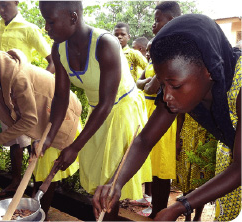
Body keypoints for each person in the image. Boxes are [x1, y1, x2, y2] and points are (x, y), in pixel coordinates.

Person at [92, 14, 241, 222]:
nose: (167, 96)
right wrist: (116, 183)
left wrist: (179, 207)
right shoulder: (185, 85)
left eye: (176, 86)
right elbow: (144, 140)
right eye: (162, 84)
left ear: (209, 70)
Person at [38, 1, 152, 220]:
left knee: (110, 185)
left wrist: (75, 147)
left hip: (121, 111)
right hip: (98, 113)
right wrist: (48, 137)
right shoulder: (59, 48)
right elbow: (61, 96)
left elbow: (107, 102)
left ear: (73, 17)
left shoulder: (105, 43)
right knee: (98, 179)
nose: (46, 28)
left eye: (50, 21)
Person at [0, 34, 82, 220]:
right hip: (42, 121)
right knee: (39, 170)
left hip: (60, 118)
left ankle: (40, 215)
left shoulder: (18, 77)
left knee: (45, 174)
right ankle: (37, 212)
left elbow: (29, 121)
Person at [0, 1, 55, 199]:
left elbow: (52, 60)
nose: (1, 10)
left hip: (24, 95)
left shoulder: (29, 29)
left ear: (16, 2)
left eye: (4, 4)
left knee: (33, 140)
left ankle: (35, 184)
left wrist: (35, 89)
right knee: (13, 141)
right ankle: (15, 182)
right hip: (4, 95)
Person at [136, 37, 177, 218]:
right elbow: (137, 83)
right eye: (147, 50)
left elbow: (149, 89)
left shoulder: (166, 65)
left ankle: (160, 210)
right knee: (153, 167)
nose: (147, 53)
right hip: (149, 117)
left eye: (151, 50)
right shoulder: (152, 65)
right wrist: (148, 81)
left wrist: (149, 82)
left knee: (162, 170)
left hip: (163, 119)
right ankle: (154, 207)